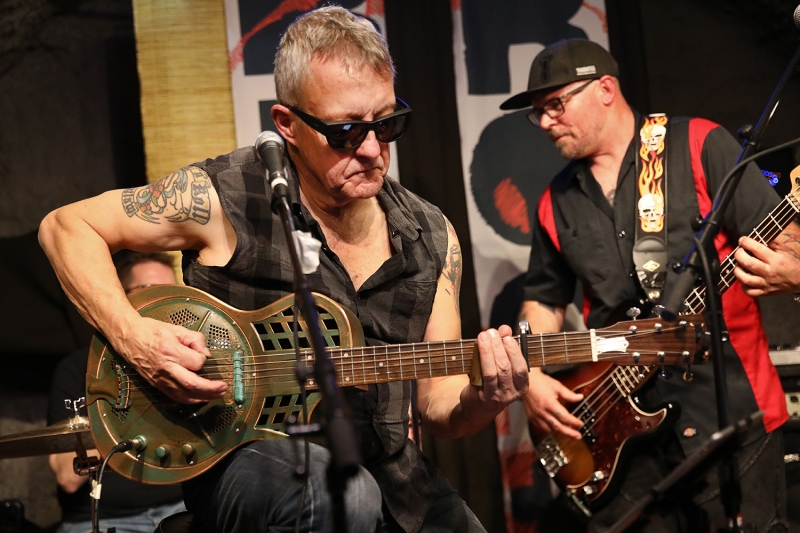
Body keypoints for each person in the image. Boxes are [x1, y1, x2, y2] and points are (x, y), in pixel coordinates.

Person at [38, 6, 529, 533]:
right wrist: (132, 336)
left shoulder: (432, 236)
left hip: (393, 478)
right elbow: (66, 227)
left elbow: (440, 405)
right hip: (243, 459)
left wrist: (483, 400)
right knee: (343, 496)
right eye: (345, 131)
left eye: (386, 124)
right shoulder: (225, 196)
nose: (372, 150)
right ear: (287, 124)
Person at [501, 38, 798, 531]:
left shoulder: (700, 144)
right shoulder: (556, 201)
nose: (546, 122)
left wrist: (794, 276)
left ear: (605, 89)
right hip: (620, 436)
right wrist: (529, 375)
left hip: (730, 414)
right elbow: (543, 300)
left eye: (556, 105)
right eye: (539, 113)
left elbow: (786, 245)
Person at [47, 250, 185, 533]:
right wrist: (128, 416)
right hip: (105, 518)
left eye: (171, 291)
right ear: (121, 298)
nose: (164, 299)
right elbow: (66, 476)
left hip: (181, 507)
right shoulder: (78, 368)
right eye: (150, 289)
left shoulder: (190, 361)